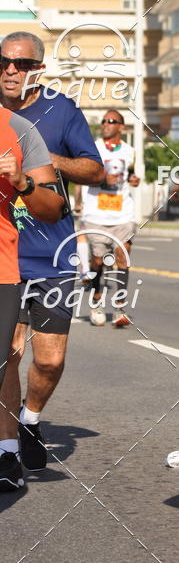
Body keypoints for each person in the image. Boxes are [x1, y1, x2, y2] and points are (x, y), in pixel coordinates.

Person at [0, 31, 103, 490]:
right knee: (9, 355)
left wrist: (42, 161)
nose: (9, 71)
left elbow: (95, 170)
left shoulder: (61, 110)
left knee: (50, 360)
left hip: (53, 249)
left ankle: (31, 420)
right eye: (3, 62)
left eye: (20, 64)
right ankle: (6, 451)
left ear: (38, 69)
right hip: (8, 255)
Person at [0, 73, 66, 488]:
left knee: (21, 359)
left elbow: (52, 206)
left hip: (5, 269)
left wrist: (21, 181)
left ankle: (9, 451)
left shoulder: (16, 129)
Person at [81, 110, 140, 328]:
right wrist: (103, 178)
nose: (106, 124)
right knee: (98, 261)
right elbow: (84, 175)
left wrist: (134, 180)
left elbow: (132, 174)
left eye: (111, 121)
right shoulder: (92, 149)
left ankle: (119, 307)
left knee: (122, 258)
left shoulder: (129, 151)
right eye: (104, 121)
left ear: (121, 127)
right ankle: (96, 300)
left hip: (123, 214)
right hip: (96, 214)